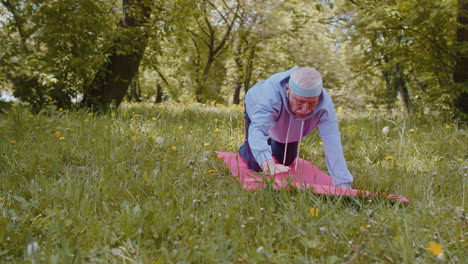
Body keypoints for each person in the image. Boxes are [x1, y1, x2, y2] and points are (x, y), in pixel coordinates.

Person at [238, 66, 353, 188]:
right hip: (257, 107)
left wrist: (343, 183)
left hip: (289, 122)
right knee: (258, 165)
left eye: (311, 103)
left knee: (285, 162)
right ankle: (247, 147)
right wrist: (266, 161)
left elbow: (332, 144)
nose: (305, 110)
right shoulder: (271, 93)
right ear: (288, 90)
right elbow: (258, 129)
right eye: (300, 101)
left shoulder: (325, 106)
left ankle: (272, 140)